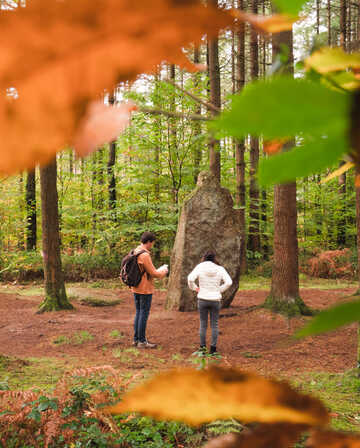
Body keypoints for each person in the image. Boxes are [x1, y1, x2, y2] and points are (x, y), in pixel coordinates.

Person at [187, 251, 232, 354]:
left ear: (204, 258)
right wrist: (219, 289)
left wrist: (195, 288)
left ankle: (202, 348)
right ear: (214, 258)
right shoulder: (220, 269)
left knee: (203, 324)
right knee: (214, 325)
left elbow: (190, 279)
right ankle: (213, 349)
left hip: (202, 298)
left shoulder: (200, 267)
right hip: (215, 300)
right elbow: (229, 282)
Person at [131, 231, 168, 348]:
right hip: (145, 289)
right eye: (152, 243)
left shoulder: (135, 251)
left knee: (138, 312)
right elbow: (154, 273)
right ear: (148, 242)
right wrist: (164, 271)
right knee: (143, 313)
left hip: (135, 287)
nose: (152, 245)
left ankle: (136, 339)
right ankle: (142, 341)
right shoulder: (144, 255)